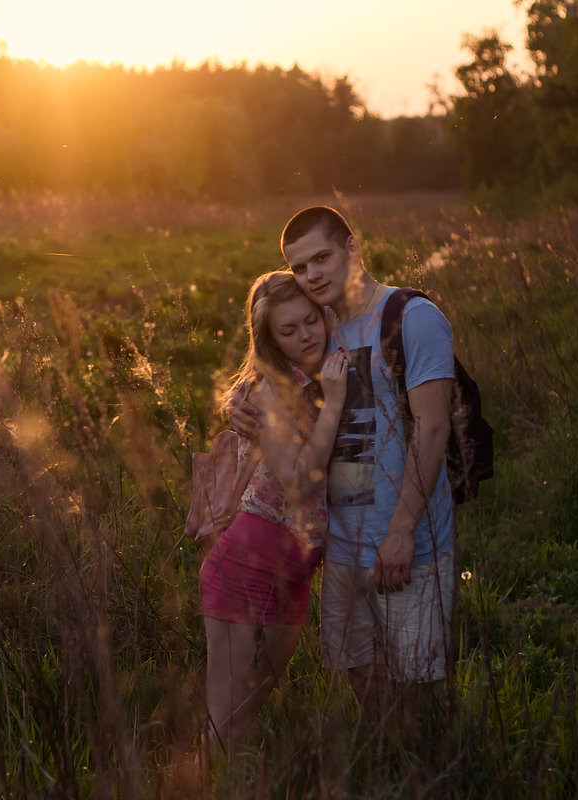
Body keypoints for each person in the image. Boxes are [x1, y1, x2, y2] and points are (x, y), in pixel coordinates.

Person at [230, 206, 457, 725]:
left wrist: (401, 532)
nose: (312, 276)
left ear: (353, 249)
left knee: (419, 696)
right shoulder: (320, 326)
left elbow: (434, 428)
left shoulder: (411, 318)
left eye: (322, 259)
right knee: (369, 696)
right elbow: (265, 367)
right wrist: (236, 401)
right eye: (300, 267)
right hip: (340, 551)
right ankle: (387, 774)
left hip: (408, 545)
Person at [198, 270, 348, 756]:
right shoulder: (271, 392)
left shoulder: (315, 380)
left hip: (294, 573)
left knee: (251, 712)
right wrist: (336, 403)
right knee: (227, 726)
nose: (306, 335)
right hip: (246, 568)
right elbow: (301, 485)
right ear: (270, 341)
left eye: (311, 321)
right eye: (289, 330)